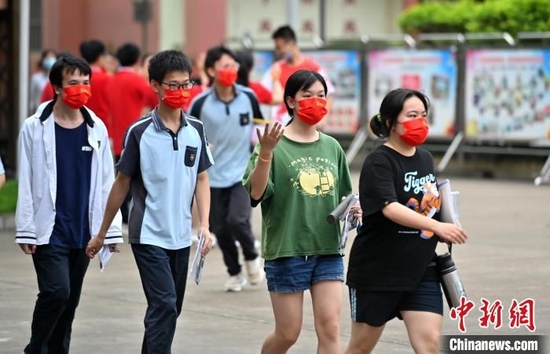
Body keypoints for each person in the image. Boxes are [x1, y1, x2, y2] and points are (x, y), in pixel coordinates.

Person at [86, 50, 214, 354]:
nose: (181, 92)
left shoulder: (195, 129)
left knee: (169, 310)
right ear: (155, 85)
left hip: (181, 237)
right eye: (173, 85)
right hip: (148, 235)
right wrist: (103, 233)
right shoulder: (139, 132)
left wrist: (205, 225)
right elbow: (122, 183)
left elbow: (202, 179)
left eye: (187, 84)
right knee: (164, 305)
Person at [344, 88, 469, 354]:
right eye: (412, 115)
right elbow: (390, 208)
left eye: (424, 115)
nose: (421, 122)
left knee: (429, 346)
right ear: (390, 122)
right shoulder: (378, 162)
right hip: (378, 273)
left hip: (421, 269)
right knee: (360, 348)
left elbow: (430, 202)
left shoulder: (425, 159)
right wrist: (435, 226)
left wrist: (446, 222)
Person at [15, 55, 123, 354]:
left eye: (86, 83)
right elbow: (26, 179)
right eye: (73, 83)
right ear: (57, 88)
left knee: (70, 298)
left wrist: (108, 231)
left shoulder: (96, 127)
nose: (82, 89)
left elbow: (106, 183)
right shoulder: (34, 128)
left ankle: (58, 349)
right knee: (56, 292)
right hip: (48, 229)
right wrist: (26, 229)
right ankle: (36, 348)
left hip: (84, 230)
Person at [243, 69, 356, 354]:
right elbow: (256, 193)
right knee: (288, 333)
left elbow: (344, 197)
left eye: (321, 96)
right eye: (308, 96)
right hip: (287, 251)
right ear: (291, 101)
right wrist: (266, 153)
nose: (316, 101)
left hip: (327, 250)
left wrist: (355, 209)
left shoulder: (332, 147)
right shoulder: (272, 144)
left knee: (330, 328)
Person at [188, 45, 264, 292]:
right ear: (211, 70)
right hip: (211, 175)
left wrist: (262, 150)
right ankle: (234, 272)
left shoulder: (247, 96)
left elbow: (258, 125)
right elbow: (190, 133)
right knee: (220, 228)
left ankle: (252, 256)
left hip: (242, 171)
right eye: (225, 65)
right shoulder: (200, 103)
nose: (232, 70)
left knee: (237, 220)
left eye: (234, 65)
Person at [107, 42, 153, 223]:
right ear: (137, 60)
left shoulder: (112, 80)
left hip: (117, 136)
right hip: (138, 136)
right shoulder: (138, 82)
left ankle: (122, 215)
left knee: (121, 177)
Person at [261, 25, 334, 124]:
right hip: (281, 125)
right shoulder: (276, 68)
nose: (278, 52)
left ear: (291, 43)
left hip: (306, 123)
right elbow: (264, 94)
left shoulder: (313, 67)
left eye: (279, 47)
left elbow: (329, 94)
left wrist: (323, 119)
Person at [79, 39, 112, 129]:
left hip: (80, 123)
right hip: (103, 125)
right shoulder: (108, 79)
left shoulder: (77, 78)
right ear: (99, 57)